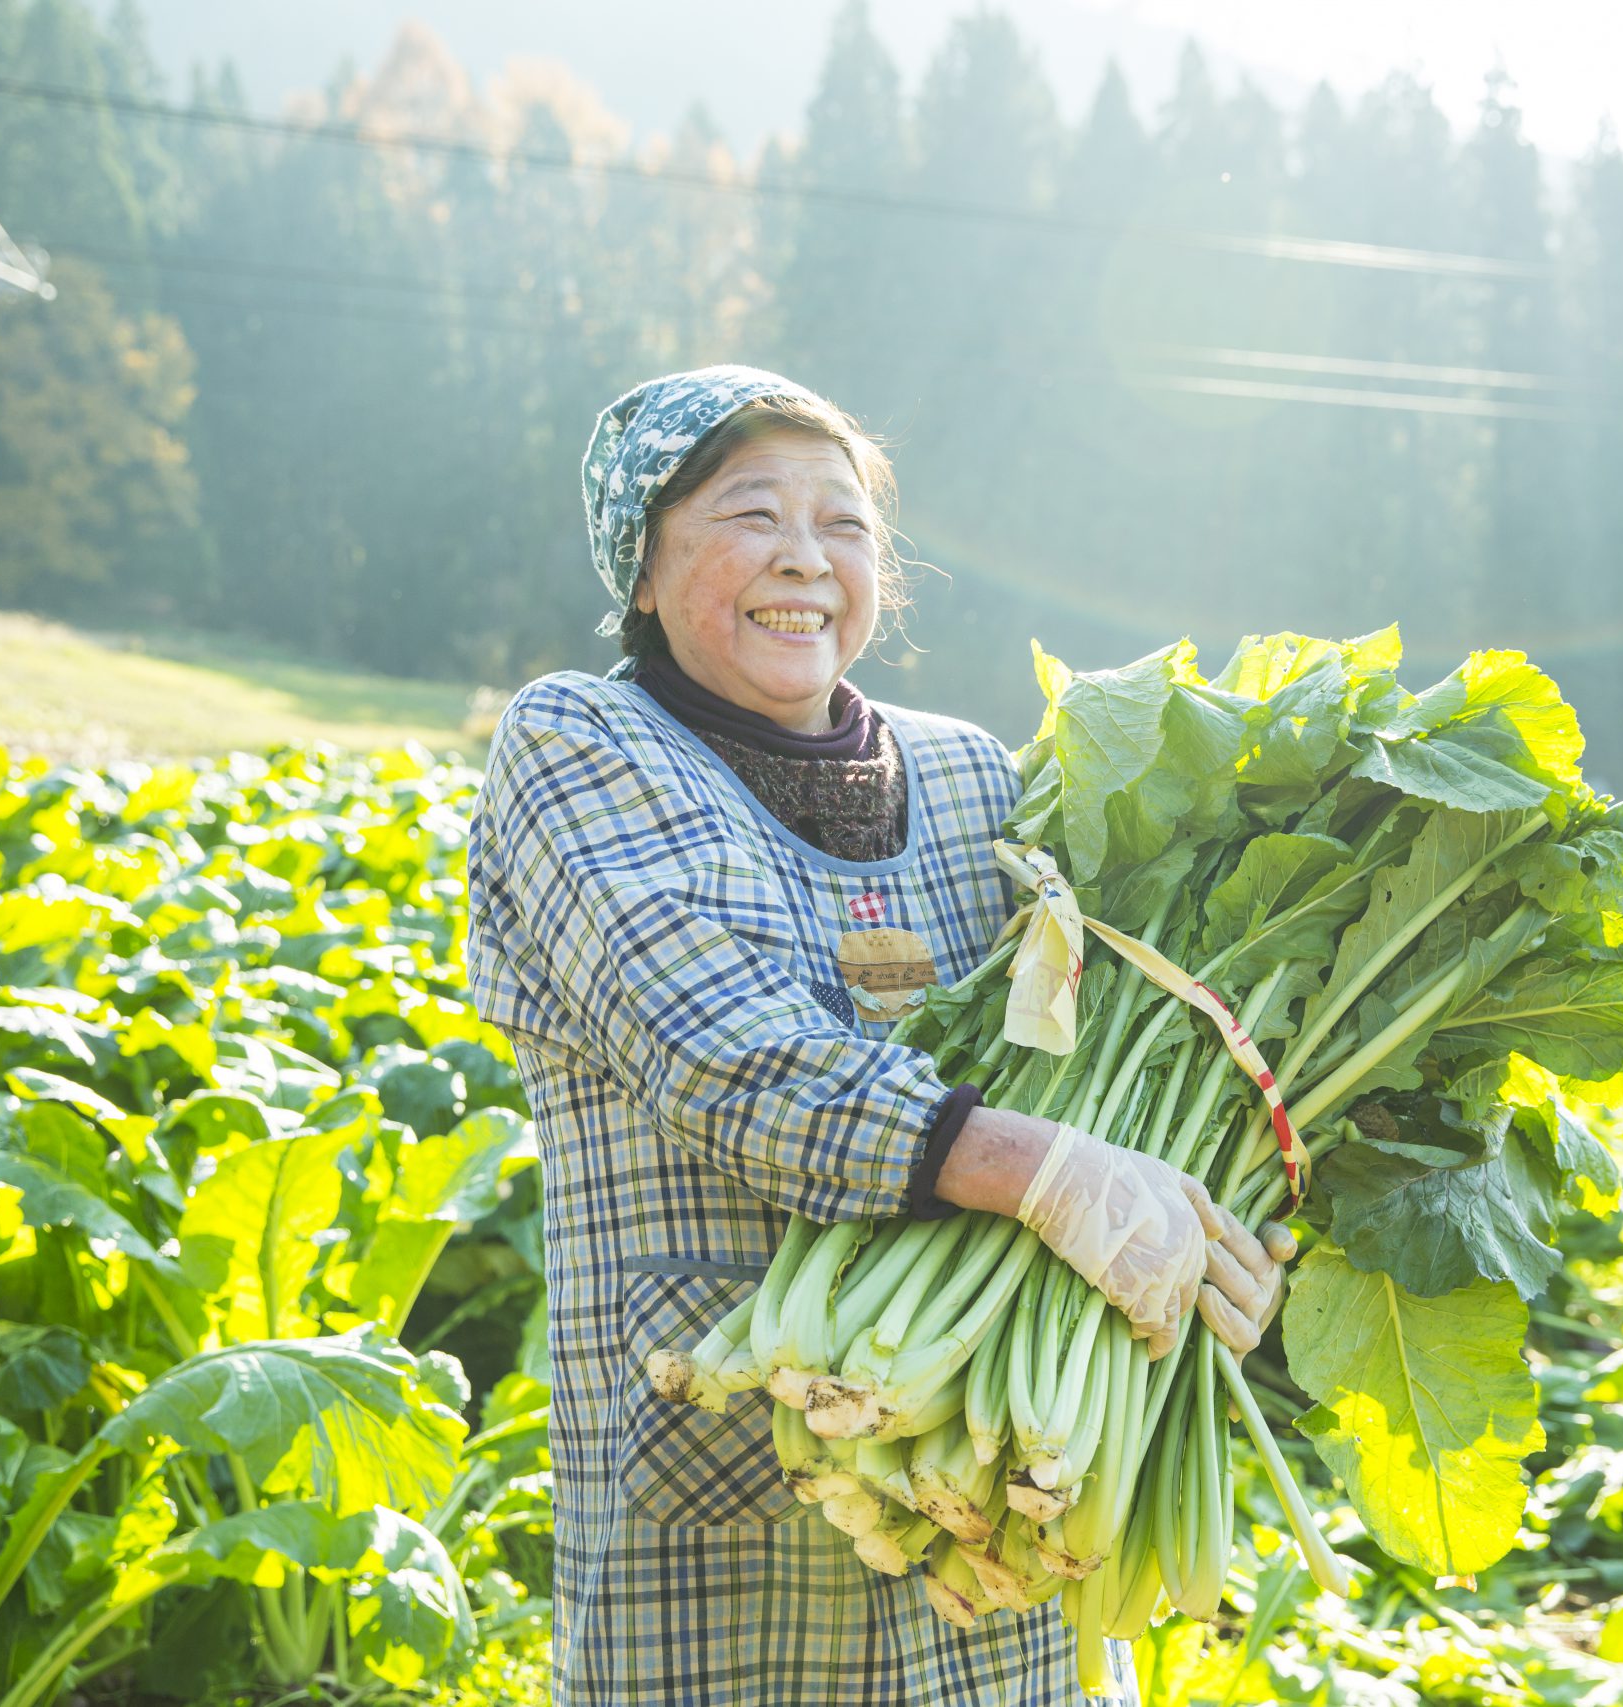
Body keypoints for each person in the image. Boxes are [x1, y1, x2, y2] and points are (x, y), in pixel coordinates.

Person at [464, 365, 1294, 1705]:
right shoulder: (581, 742)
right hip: (725, 1478)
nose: (806, 559)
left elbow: (1130, 1054)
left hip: (1000, 1502)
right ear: (641, 564)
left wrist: (1211, 1236)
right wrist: (1049, 1176)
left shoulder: (976, 773)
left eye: (844, 525)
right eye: (750, 515)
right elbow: (722, 1056)